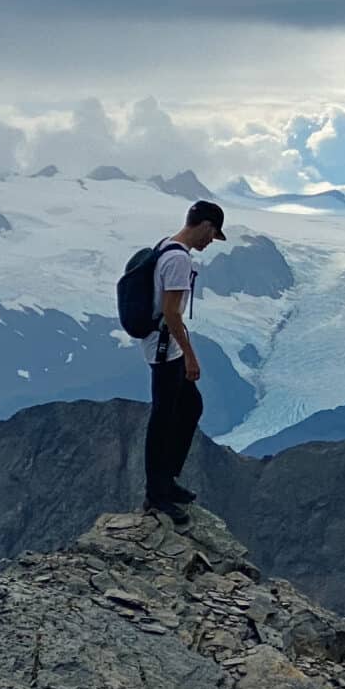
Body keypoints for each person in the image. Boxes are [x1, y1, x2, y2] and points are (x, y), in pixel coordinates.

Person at [142, 199, 225, 519]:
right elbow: (171, 313)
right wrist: (190, 356)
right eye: (213, 234)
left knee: (189, 406)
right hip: (165, 347)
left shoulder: (166, 246)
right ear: (205, 225)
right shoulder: (178, 260)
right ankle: (156, 494)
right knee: (163, 417)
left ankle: (166, 480)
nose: (210, 242)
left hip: (165, 344)